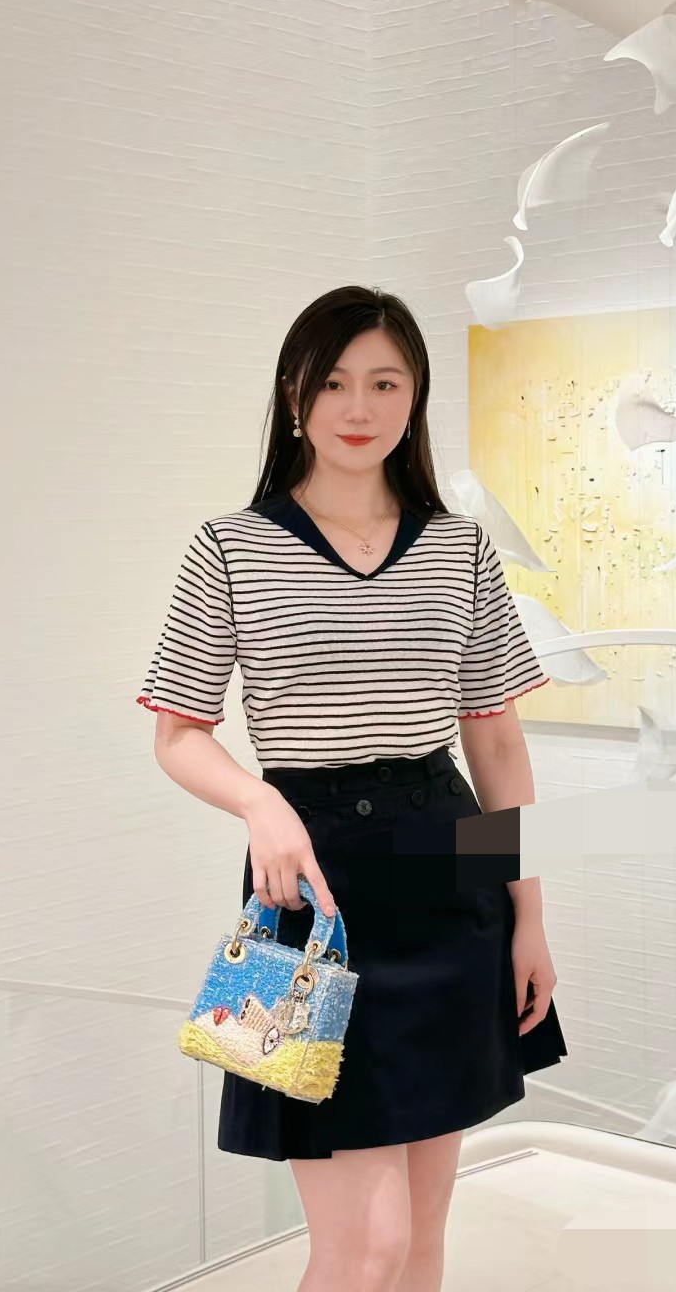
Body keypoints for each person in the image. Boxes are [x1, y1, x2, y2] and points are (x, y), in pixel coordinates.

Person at [138, 285, 567, 1292]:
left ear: (416, 399)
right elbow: (179, 734)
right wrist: (261, 804)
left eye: (385, 383)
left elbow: (496, 746)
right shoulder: (229, 545)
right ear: (294, 396)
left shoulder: (459, 547)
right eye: (333, 382)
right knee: (363, 1247)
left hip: (451, 877)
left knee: (422, 1241)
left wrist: (531, 917)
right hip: (308, 896)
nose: (359, 407)